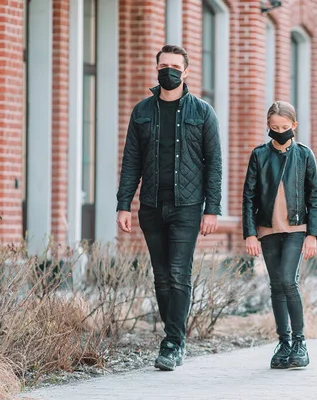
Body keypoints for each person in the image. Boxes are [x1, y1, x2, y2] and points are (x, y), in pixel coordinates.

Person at [116, 45, 222, 371]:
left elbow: (214, 164)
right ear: (156, 68)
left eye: (176, 66)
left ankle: (174, 342)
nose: (169, 70)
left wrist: (212, 209)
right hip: (150, 205)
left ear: (186, 71)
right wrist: (123, 205)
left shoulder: (202, 112)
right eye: (164, 65)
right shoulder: (142, 111)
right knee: (161, 277)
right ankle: (173, 335)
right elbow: (131, 162)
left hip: (188, 207)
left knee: (178, 273)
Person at [242, 101, 317, 369]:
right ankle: (284, 343)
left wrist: (312, 234)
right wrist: (250, 234)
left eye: (284, 127)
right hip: (267, 230)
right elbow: (248, 196)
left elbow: (315, 196)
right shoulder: (259, 155)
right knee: (276, 285)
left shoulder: (304, 155)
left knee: (288, 281)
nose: (279, 132)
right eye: (274, 128)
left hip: (296, 229)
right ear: (268, 127)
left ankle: (300, 343)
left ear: (294, 126)